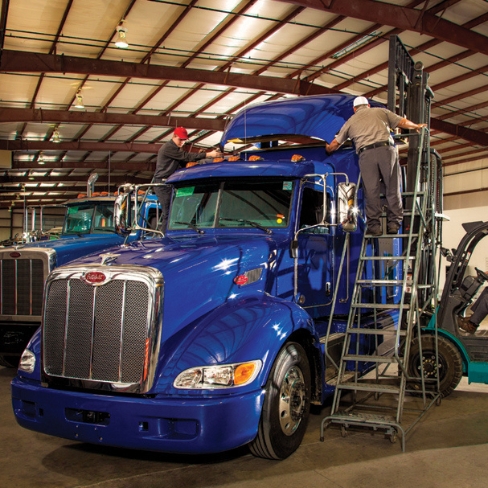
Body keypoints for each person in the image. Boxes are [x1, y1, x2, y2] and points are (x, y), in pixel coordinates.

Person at [325, 96, 427, 236]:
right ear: (368, 105)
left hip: (366, 155)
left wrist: (327, 148)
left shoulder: (350, 121)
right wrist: (415, 126)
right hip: (386, 151)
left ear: (354, 109)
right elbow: (401, 122)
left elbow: (335, 144)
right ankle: (394, 223)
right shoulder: (380, 112)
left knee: (371, 190)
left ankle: (374, 226)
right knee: (392, 187)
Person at [153, 127, 221, 231]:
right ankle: (165, 235)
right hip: (163, 184)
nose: (182, 142)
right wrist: (208, 154)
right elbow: (186, 157)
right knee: (168, 212)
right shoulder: (168, 148)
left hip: (171, 184)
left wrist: (200, 156)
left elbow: (184, 161)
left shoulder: (175, 149)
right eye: (180, 139)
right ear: (174, 136)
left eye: (184, 140)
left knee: (173, 212)